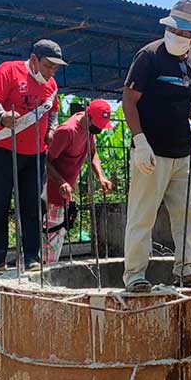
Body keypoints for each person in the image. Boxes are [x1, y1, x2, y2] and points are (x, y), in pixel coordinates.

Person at [121, 0, 191, 292]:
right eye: (174, 29)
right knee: (142, 215)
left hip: (182, 152)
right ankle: (135, 275)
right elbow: (129, 99)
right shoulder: (148, 56)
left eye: (185, 33)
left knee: (190, 214)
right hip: (151, 152)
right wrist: (140, 141)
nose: (178, 36)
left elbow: (189, 96)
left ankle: (187, 270)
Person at [0, 39, 66, 274]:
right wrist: (2, 117)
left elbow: (54, 111)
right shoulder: (8, 70)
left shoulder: (52, 85)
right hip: (2, 149)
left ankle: (31, 256)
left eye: (55, 68)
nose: (51, 72)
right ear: (34, 60)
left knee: (33, 206)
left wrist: (50, 130)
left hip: (35, 154)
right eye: (48, 65)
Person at [43, 99, 114, 263]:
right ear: (88, 117)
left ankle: (48, 271)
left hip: (66, 193)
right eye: (97, 126)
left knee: (59, 235)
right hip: (52, 192)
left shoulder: (89, 130)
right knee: (49, 237)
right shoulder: (67, 131)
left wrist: (101, 176)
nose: (99, 130)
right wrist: (61, 182)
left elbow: (92, 153)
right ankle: (41, 276)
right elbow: (46, 160)